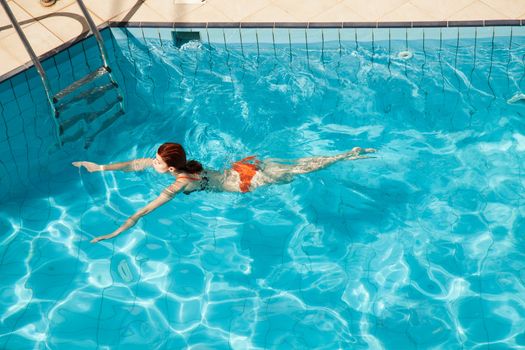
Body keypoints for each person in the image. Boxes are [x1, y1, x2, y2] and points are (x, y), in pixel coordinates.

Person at [72, 143, 376, 243]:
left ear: (170, 166)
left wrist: (115, 233)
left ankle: (348, 155)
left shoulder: (180, 183)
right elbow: (133, 164)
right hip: (240, 167)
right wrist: (98, 168)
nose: (151, 162)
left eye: (157, 160)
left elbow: (144, 211)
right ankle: (346, 154)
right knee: (299, 165)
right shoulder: (180, 167)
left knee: (304, 169)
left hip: (246, 182)